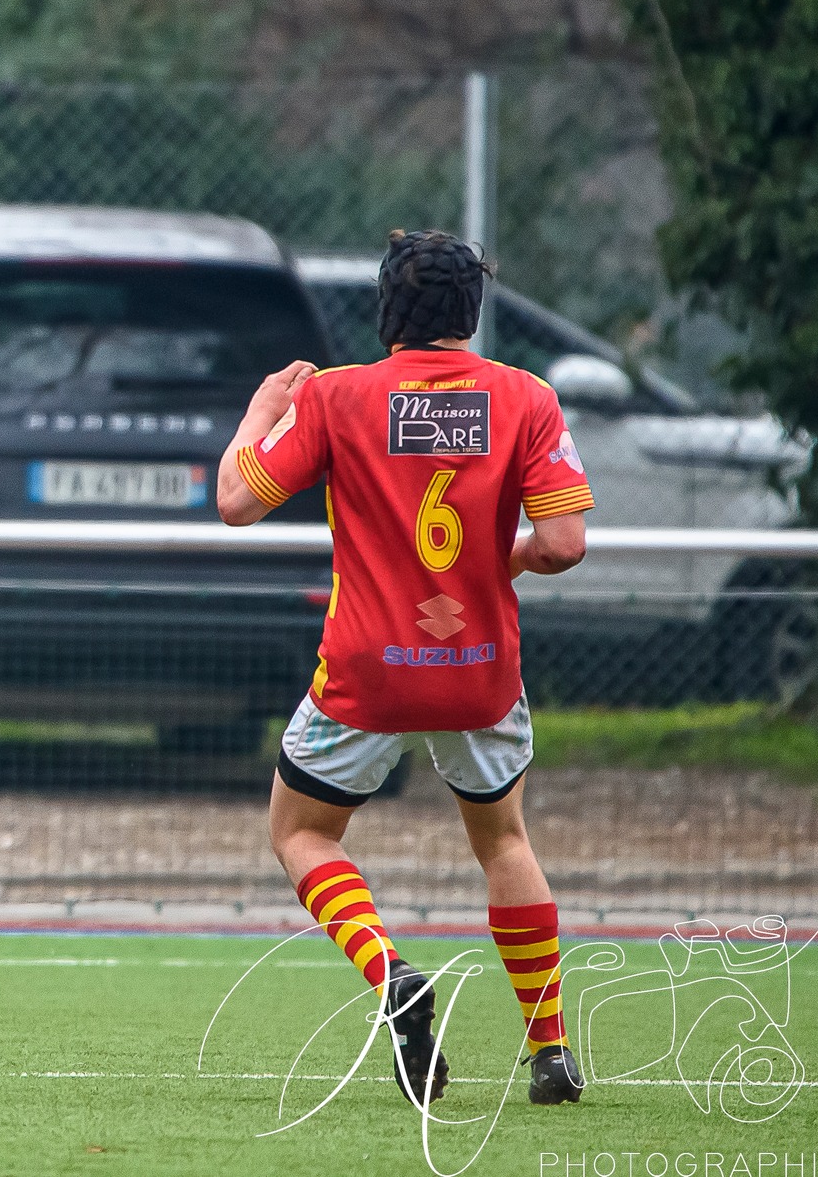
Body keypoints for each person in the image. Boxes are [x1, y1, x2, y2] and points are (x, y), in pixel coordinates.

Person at [215, 229, 593, 1110]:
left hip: (367, 671)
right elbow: (568, 543)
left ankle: (392, 974)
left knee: (302, 834)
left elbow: (236, 502)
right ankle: (551, 1051)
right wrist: (512, 560)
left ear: (388, 311)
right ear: (472, 312)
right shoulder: (526, 398)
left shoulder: (339, 398)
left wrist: (261, 410)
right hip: (479, 670)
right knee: (504, 841)